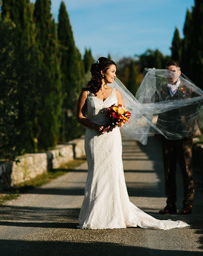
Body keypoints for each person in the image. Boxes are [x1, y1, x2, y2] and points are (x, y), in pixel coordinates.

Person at [76, 57, 188, 230]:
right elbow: (80, 116)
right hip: (94, 139)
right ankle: (93, 214)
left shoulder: (116, 93)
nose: (115, 75)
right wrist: (94, 126)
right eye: (112, 71)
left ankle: (112, 215)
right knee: (96, 173)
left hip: (111, 139)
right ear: (101, 72)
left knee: (112, 174)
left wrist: (116, 120)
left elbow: (124, 116)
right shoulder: (86, 93)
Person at [153, 61, 197, 215]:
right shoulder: (160, 90)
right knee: (168, 171)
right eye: (167, 72)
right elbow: (152, 105)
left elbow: (201, 99)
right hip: (166, 135)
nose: (170, 74)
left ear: (179, 72)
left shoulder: (189, 88)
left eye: (172, 71)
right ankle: (170, 204)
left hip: (184, 134)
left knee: (186, 170)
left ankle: (188, 204)